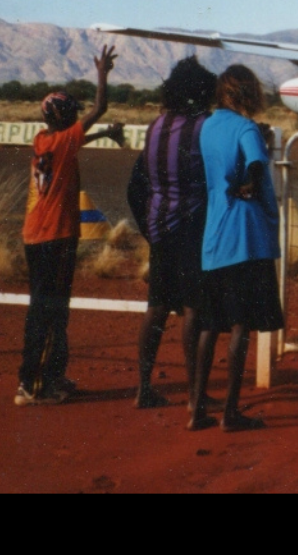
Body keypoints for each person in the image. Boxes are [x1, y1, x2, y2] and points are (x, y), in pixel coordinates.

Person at [17, 45, 125, 406]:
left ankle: (48, 377)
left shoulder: (44, 140)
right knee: (51, 310)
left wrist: (102, 136)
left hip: (35, 235)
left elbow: (75, 141)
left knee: (45, 308)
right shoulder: (64, 142)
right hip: (56, 236)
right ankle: (35, 386)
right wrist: (102, 75)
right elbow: (100, 108)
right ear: (65, 119)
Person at [190, 65, 284, 433]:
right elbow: (257, 164)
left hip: (214, 236)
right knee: (241, 325)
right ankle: (230, 412)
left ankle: (196, 409)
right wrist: (249, 181)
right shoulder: (247, 129)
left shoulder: (207, 125)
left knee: (209, 326)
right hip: (246, 236)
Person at [126, 56, 217, 411]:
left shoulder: (155, 125)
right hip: (193, 227)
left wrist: (148, 227)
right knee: (195, 310)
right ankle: (196, 395)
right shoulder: (204, 127)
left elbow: (137, 184)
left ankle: (143, 387)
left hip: (160, 228)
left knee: (157, 307)